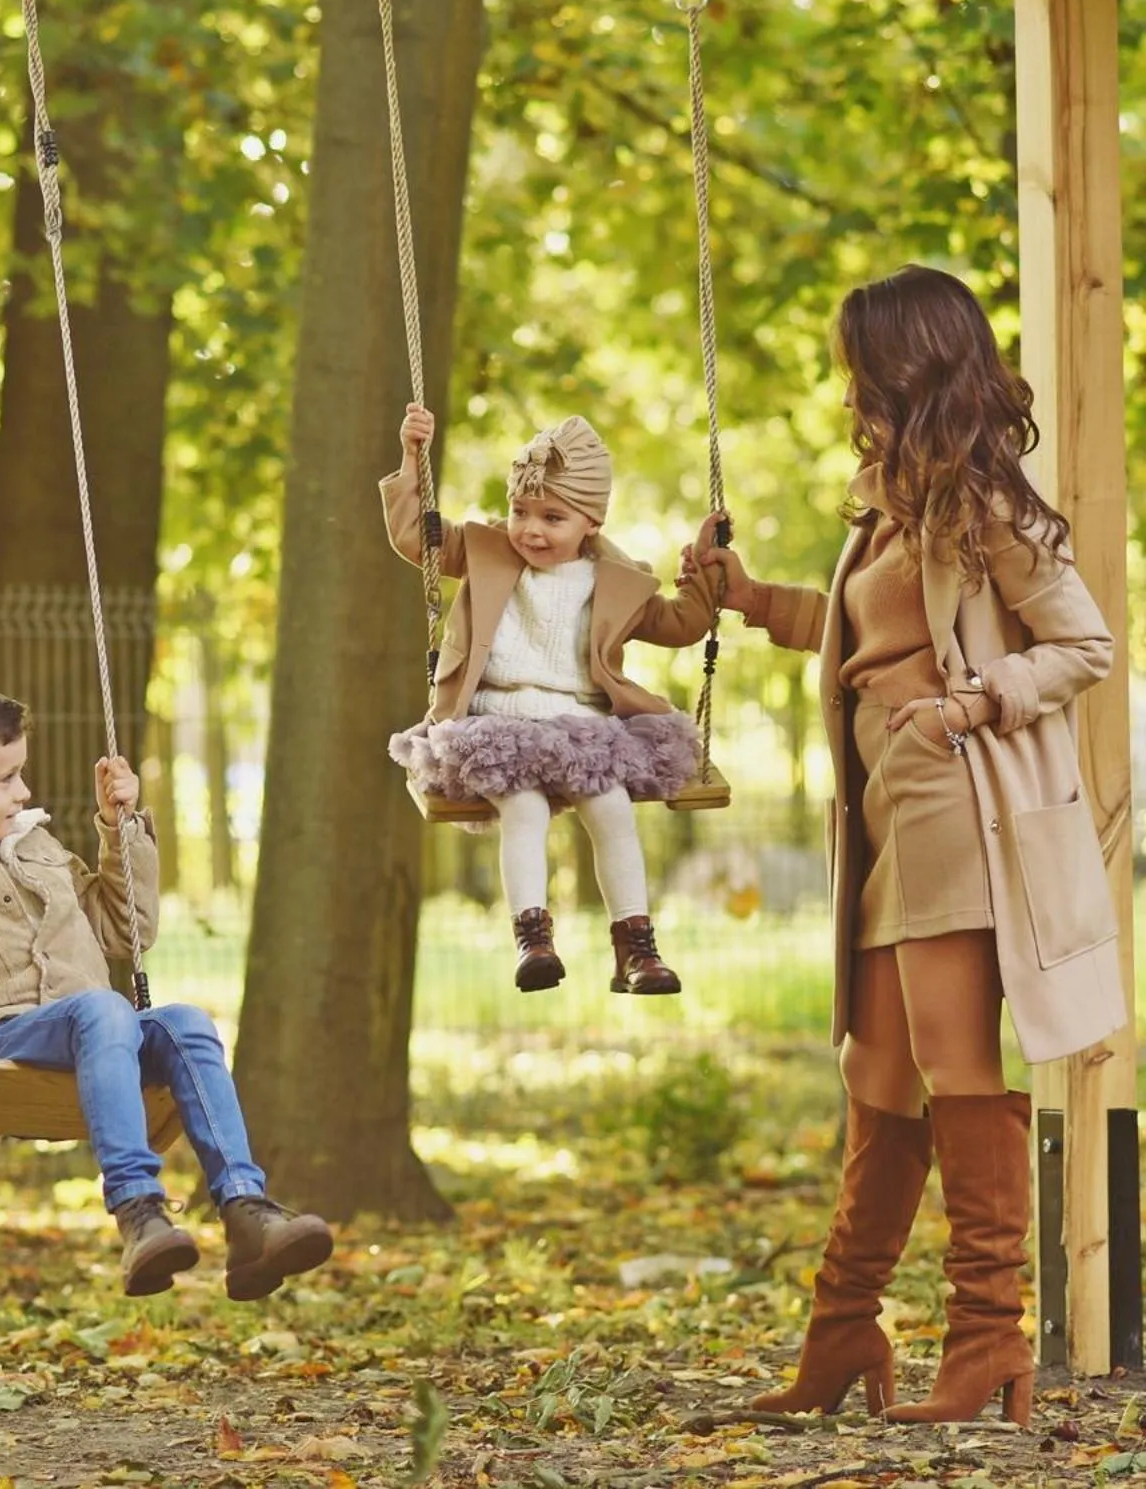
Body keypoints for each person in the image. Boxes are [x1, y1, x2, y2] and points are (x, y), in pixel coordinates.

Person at [690, 264, 1121, 1426]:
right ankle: (840, 1333)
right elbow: (857, 643)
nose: (844, 393)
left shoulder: (987, 508)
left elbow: (1083, 645)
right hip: (884, 813)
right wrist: (743, 597)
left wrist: (974, 699)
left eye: (857, 370)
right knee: (873, 1072)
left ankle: (988, 1338)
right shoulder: (888, 503)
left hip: (954, 811)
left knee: (949, 1062)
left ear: (905, 367)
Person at [0, 675, 334, 1300]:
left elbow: (128, 930)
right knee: (103, 1010)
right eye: (6, 778)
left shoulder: (38, 848)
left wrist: (117, 829)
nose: (23, 791)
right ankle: (138, 1211)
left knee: (186, 1024)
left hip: (98, 1030)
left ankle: (246, 1212)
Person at [383, 407, 719, 995]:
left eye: (552, 517)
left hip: (582, 726)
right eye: (521, 511)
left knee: (612, 809)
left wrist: (706, 570)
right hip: (500, 723)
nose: (531, 529)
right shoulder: (483, 549)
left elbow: (683, 623)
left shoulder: (617, 579)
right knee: (524, 809)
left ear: (591, 520)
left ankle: (635, 949)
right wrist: (413, 459)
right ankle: (532, 938)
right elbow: (414, 535)